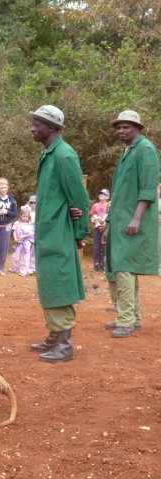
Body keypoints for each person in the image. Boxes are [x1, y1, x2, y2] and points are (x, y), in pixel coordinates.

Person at [28, 104, 89, 363]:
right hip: (48, 231)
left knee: (59, 281)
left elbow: (80, 198)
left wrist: (79, 232)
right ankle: (55, 335)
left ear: (51, 128)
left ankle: (65, 345)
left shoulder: (64, 155)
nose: (32, 128)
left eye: (37, 124)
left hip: (59, 233)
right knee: (49, 281)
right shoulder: (48, 154)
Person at [103, 110, 159, 338]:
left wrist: (137, 217)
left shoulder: (146, 149)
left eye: (126, 126)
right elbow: (117, 193)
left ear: (137, 128)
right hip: (119, 220)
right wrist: (109, 222)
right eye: (118, 127)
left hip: (133, 220)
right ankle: (133, 318)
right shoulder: (126, 152)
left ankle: (125, 320)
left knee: (124, 268)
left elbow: (148, 187)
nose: (121, 130)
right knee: (122, 268)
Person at [10, 206, 35, 276]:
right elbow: (14, 232)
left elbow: (30, 233)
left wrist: (22, 237)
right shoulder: (17, 223)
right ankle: (14, 268)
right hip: (18, 242)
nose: (25, 218)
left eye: (26, 217)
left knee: (26, 256)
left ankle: (24, 271)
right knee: (15, 256)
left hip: (26, 242)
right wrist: (16, 239)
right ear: (21, 216)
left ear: (28, 217)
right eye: (23, 216)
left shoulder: (29, 224)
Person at [90, 190, 109, 272]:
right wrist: (95, 219)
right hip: (97, 229)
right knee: (96, 247)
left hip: (106, 229)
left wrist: (104, 222)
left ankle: (104, 266)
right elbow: (92, 216)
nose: (101, 195)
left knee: (105, 248)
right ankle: (96, 265)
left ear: (107, 197)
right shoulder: (95, 205)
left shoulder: (109, 205)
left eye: (103, 194)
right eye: (100, 193)